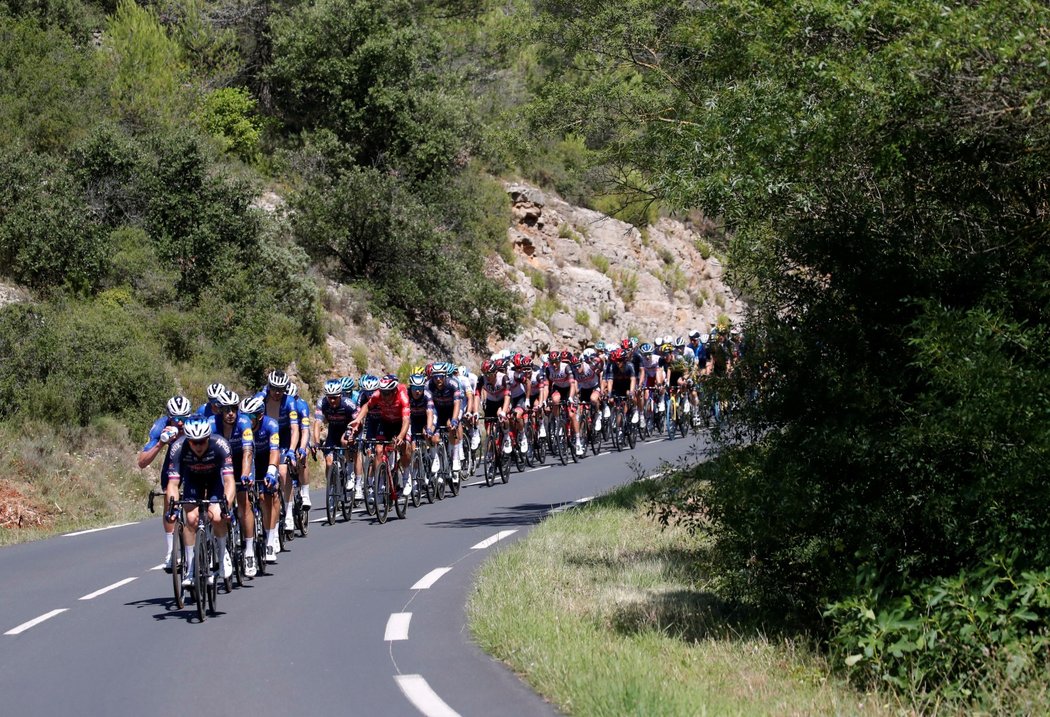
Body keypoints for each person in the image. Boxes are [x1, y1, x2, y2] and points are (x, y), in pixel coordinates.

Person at [165, 418, 235, 586]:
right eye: (194, 442)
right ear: (187, 440)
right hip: (192, 480)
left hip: (214, 480)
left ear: (208, 438)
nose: (198, 446)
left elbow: (229, 481)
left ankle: (222, 550)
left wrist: (227, 505)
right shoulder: (178, 448)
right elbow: (173, 484)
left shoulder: (220, 445)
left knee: (217, 517)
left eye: (202, 442)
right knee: (191, 519)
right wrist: (172, 508)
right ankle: (190, 568)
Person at [138, 395, 194, 570]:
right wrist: (161, 443)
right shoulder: (160, 426)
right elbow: (142, 462)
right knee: (169, 501)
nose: (180, 423)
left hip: (195, 462)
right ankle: (171, 551)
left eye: (184, 419)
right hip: (173, 463)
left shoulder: (196, 423)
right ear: (169, 417)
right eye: (176, 419)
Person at [208, 389, 257, 576]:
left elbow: (247, 452)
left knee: (244, 503)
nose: (231, 413)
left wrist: (245, 475)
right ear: (220, 410)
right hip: (220, 463)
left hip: (240, 460)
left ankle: (249, 551)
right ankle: (221, 544)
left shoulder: (244, 423)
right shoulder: (212, 424)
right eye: (227, 409)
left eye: (234, 409)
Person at [256, 370, 300, 535]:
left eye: (281, 389)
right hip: (265, 439)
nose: (277, 393)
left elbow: (295, 429)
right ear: (269, 386)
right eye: (274, 388)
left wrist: (291, 451)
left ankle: (288, 512)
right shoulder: (261, 398)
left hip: (284, 439)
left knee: (282, 471)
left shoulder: (290, 402)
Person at [240, 395, 281, 562]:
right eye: (243, 416)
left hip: (266, 458)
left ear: (259, 416)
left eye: (249, 417)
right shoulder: (240, 426)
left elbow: (275, 451)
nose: (246, 420)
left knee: (267, 496)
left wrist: (271, 471)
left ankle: (270, 539)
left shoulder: (271, 425)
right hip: (248, 459)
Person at [288, 382, 312, 509]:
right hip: (286, 435)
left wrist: (302, 448)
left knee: (302, 456)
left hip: (301, 433)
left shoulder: (302, 405)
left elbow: (305, 430)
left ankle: (305, 493)